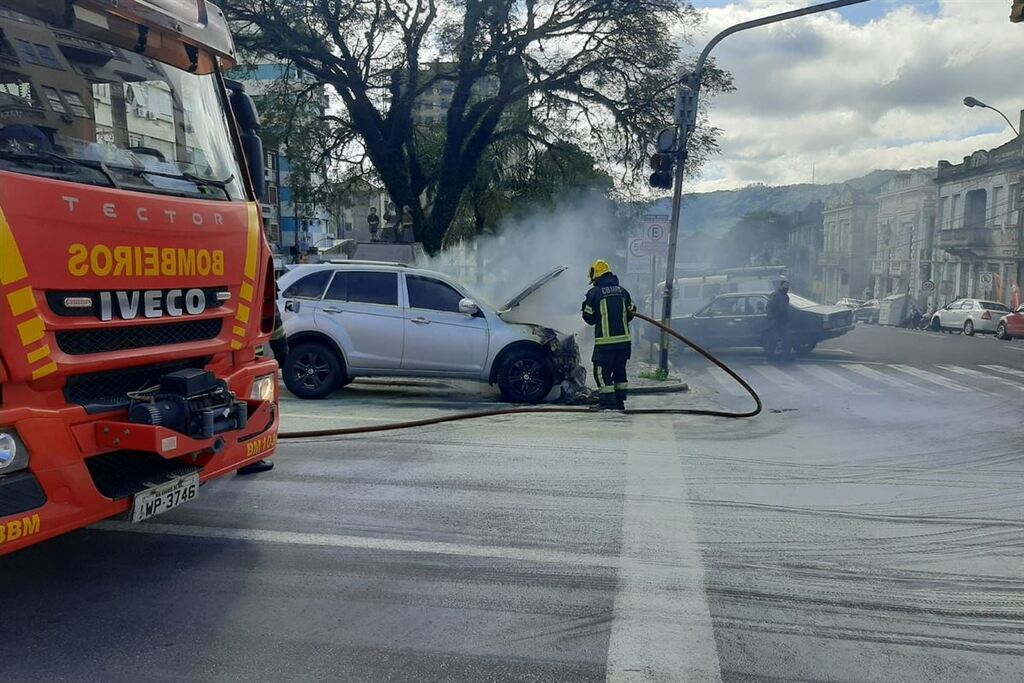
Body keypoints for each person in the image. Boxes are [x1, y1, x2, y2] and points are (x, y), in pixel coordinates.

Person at [237, 305, 288, 475]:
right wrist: (281, 350)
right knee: (251, 409)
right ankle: (249, 459)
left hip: (217, 357)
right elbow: (271, 316)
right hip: (246, 357)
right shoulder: (254, 280)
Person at [582, 259, 636, 410]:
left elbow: (589, 318)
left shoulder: (594, 293)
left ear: (595, 276)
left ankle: (606, 402)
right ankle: (619, 402)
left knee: (601, 371)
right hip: (624, 343)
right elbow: (632, 312)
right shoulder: (623, 291)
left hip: (605, 344)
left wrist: (585, 306)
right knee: (619, 371)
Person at [766, 277, 792, 360]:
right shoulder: (775, 295)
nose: (786, 288)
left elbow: (786, 309)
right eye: (785, 286)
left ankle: (785, 356)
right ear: (781, 286)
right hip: (776, 320)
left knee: (786, 339)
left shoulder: (786, 297)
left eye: (787, 287)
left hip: (784, 320)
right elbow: (769, 307)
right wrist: (771, 318)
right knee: (774, 339)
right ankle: (771, 356)